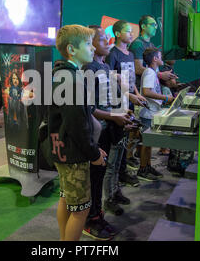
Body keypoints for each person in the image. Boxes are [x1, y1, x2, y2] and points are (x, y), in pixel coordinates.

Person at [49, 24, 107, 241]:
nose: (93, 49)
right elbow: (78, 126)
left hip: (63, 151)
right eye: (88, 44)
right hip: (74, 154)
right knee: (80, 209)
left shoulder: (62, 74)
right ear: (72, 49)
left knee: (67, 200)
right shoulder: (72, 79)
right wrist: (94, 154)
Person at [82, 25, 133, 239]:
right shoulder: (89, 69)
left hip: (107, 128)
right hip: (96, 133)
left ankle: (97, 215)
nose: (108, 43)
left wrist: (121, 114)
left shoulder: (101, 67)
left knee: (102, 174)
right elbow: (90, 107)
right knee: (93, 179)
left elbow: (106, 100)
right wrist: (114, 116)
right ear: (90, 44)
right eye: (102, 40)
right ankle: (91, 220)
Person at [105, 20, 146, 188]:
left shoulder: (129, 54)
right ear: (118, 34)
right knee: (118, 140)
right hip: (117, 102)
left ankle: (122, 170)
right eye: (128, 31)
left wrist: (136, 93)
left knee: (126, 135)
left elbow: (129, 78)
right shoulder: (112, 54)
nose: (131, 34)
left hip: (128, 100)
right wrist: (129, 96)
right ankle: (118, 174)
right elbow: (110, 78)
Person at [138, 47, 175, 179]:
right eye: (160, 56)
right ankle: (142, 169)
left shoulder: (153, 71)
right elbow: (147, 91)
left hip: (152, 113)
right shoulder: (149, 73)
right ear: (155, 59)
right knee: (146, 144)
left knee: (149, 144)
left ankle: (147, 166)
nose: (162, 58)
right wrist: (165, 98)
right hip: (148, 113)